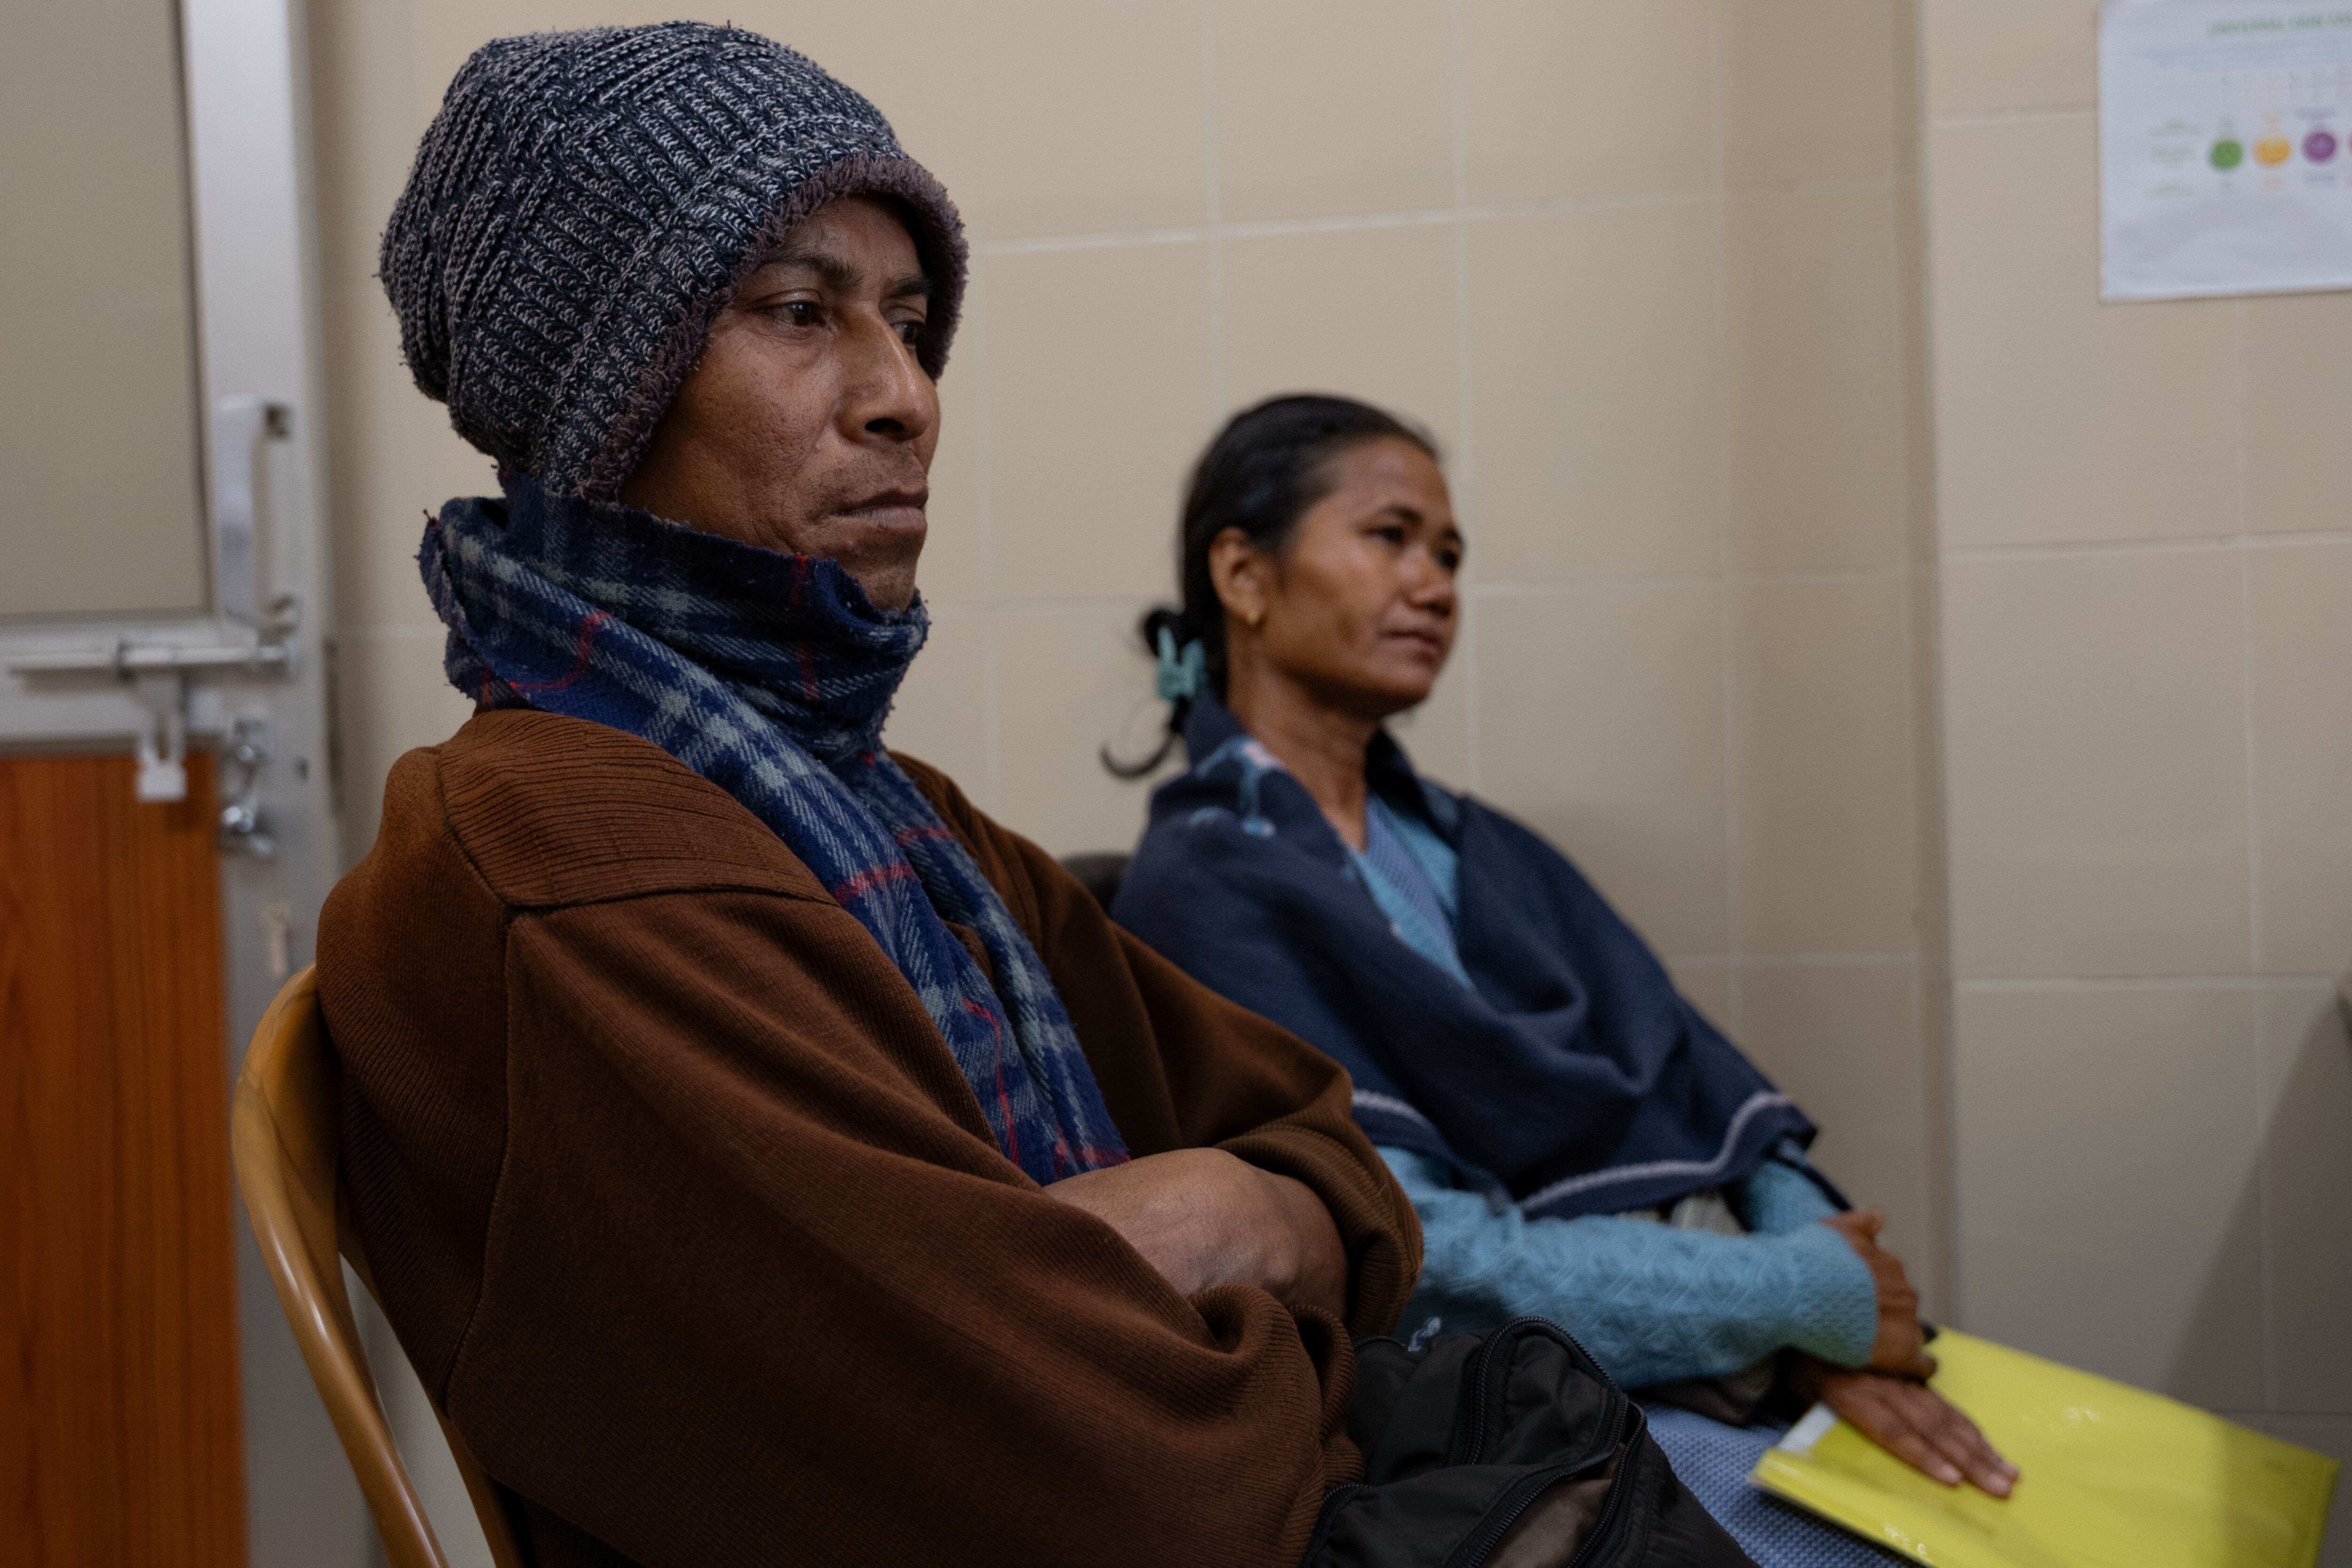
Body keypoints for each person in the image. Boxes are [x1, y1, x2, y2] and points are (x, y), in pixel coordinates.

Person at [324, 26, 1748, 1568]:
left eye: (915, 325)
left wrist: (1242, 1212)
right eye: (802, 312)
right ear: (606, 384)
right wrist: (1275, 1308)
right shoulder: (563, 855)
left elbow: (1334, 1159)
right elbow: (1134, 1497)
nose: (908, 399)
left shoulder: (879, 804)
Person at [1108, 396, 2020, 1564]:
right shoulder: (1209, 887)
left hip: (1726, 1348)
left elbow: (1724, 1111)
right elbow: (1419, 1257)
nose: (1434, 583)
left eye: (1449, 554)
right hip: (1494, 1410)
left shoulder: (1481, 854)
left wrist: (1824, 1299)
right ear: (1243, 572)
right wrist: (1792, 1300)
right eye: (1390, 537)